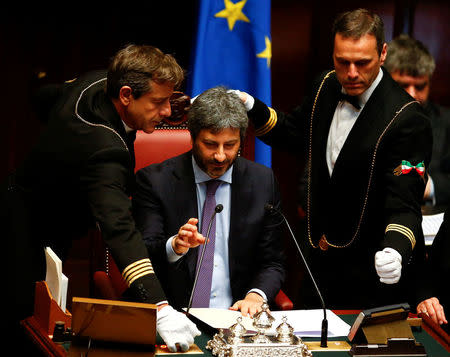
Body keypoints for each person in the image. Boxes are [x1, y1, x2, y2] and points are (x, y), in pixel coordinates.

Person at [3, 44, 199, 352]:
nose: (165, 111)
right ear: (125, 95)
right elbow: (119, 229)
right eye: (159, 102)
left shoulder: (96, 81)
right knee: (26, 324)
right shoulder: (103, 152)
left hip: (47, 208)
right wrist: (160, 307)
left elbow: (46, 98)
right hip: (27, 228)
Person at [234, 8, 432, 309]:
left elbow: (404, 202)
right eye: (343, 61)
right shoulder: (326, 85)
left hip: (373, 273)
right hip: (319, 266)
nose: (351, 73)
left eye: (362, 63)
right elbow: (292, 134)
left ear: (382, 54)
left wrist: (396, 250)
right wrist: (251, 106)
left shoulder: (408, 117)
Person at [132, 86, 285, 316]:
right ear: (193, 137)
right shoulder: (155, 181)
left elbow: (273, 262)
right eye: (211, 144)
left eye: (230, 145)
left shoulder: (262, 181)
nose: (220, 156)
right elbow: (143, 252)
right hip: (173, 315)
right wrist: (175, 246)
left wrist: (255, 295)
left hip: (237, 318)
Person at [384, 33, 450, 207]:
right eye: (402, 85)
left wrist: (430, 188)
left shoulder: (447, 122)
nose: (412, 95)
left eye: (420, 86)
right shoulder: (362, 117)